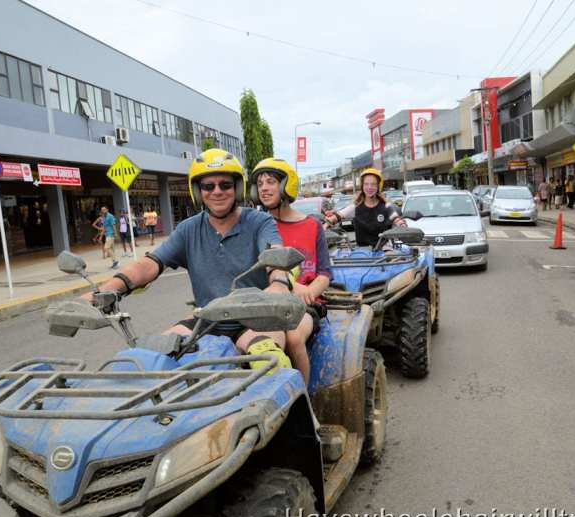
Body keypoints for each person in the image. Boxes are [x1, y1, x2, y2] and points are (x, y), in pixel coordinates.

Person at [83, 149, 294, 372]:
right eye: (208, 186)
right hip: (205, 322)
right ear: (197, 191)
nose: (217, 191)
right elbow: (149, 264)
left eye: (225, 184)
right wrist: (103, 292)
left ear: (238, 188)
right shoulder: (188, 229)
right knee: (139, 363)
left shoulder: (259, 222)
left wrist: (279, 284)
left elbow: (275, 256)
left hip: (256, 320)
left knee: (270, 361)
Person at [252, 157, 331, 386]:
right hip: (266, 302)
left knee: (294, 337)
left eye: (271, 182)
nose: (264, 188)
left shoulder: (312, 225)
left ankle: (303, 401)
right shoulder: (256, 226)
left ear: (287, 185)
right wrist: (287, 284)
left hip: (303, 305)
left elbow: (324, 273)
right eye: (259, 184)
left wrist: (309, 291)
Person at [325, 168, 406, 247]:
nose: (369, 187)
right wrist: (325, 225)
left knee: (395, 258)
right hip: (362, 254)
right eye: (366, 184)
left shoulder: (386, 206)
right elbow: (336, 217)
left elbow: (397, 220)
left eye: (373, 184)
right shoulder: (355, 207)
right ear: (362, 186)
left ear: (378, 186)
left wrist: (403, 226)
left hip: (383, 251)